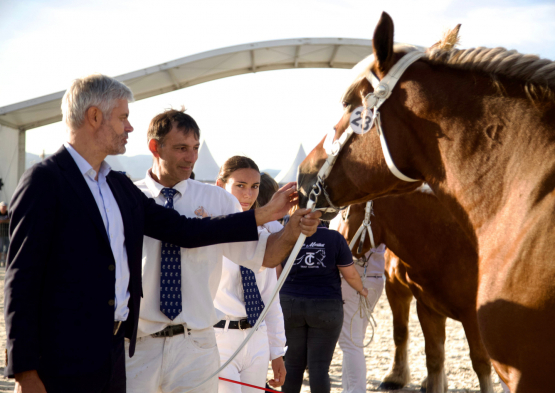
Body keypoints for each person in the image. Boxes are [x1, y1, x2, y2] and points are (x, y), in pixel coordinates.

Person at [4, 74, 319, 393]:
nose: (129, 126)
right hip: (94, 353)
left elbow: (185, 231)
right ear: (95, 116)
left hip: (148, 352)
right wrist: (25, 372)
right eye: (124, 117)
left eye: (195, 148)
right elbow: (21, 280)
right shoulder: (52, 182)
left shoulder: (115, 186)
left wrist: (277, 221)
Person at [126, 111, 319, 393]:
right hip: (138, 343)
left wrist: (293, 229)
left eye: (195, 149)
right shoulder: (128, 198)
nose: (191, 158)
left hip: (197, 344)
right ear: (155, 147)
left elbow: (262, 257)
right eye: (181, 148)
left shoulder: (218, 200)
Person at [214, 158, 286, 393]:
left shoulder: (265, 235)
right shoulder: (206, 230)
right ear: (220, 184)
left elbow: (270, 298)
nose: (248, 194)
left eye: (254, 186)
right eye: (240, 185)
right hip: (219, 337)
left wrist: (277, 353)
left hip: (258, 337)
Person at [279, 221, 370, 393]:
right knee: (319, 368)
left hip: (290, 304)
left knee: (291, 365)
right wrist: (362, 290)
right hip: (326, 306)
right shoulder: (335, 238)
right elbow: (349, 274)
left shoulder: (286, 236)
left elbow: (276, 272)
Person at [0, 201, 8, 266]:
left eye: (5, 207)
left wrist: (2, 221)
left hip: (7, 234)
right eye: (2, 207)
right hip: (0, 234)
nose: (4, 208)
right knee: (0, 248)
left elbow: (10, 219)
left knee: (7, 249)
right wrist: (6, 220)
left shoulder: (8, 213)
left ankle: (5, 262)